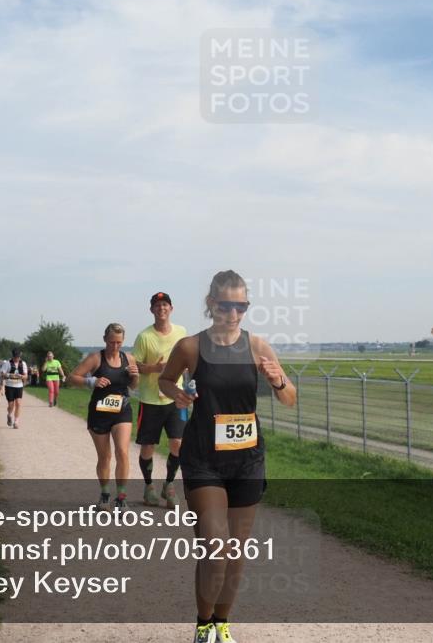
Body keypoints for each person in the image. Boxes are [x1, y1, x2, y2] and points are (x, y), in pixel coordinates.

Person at [159, 271, 296, 643]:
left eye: (241, 305)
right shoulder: (190, 347)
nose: (234, 313)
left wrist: (278, 381)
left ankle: (222, 622)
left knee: (236, 553)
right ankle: (203, 624)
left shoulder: (258, 346)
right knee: (214, 548)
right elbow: (165, 380)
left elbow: (290, 398)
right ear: (211, 305)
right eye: (226, 305)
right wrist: (177, 393)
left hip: (247, 459)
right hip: (203, 458)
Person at [69, 324, 140, 510]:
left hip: (122, 411)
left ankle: (122, 496)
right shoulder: (95, 358)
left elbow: (133, 387)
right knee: (105, 456)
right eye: (111, 342)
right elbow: (72, 377)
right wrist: (91, 381)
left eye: (119, 342)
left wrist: (135, 376)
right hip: (99, 413)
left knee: (122, 452)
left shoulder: (129, 358)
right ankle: (105, 494)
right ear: (104, 339)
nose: (115, 346)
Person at [132, 291, 188, 507]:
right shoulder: (144, 337)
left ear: (171, 309)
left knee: (178, 443)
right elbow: (135, 367)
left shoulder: (182, 332)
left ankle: (169, 484)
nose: (161, 308)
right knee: (148, 447)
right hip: (150, 400)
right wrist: (155, 368)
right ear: (152, 310)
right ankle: (148, 488)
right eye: (157, 305)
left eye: (165, 305)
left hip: (176, 397)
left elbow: (188, 356)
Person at [3, 348, 29, 429]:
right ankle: (9, 415)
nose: (16, 358)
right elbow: (2, 374)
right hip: (9, 386)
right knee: (11, 405)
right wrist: (9, 375)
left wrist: (21, 376)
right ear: (13, 356)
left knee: (18, 404)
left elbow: (26, 376)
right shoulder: (7, 363)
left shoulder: (23, 364)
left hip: (19, 386)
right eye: (15, 357)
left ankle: (16, 422)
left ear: (20, 356)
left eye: (17, 357)